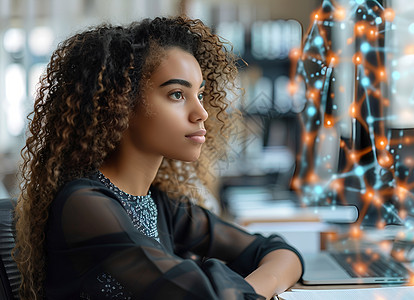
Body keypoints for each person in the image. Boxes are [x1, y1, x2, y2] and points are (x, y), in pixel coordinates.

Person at [14, 16, 303, 300]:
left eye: (200, 94)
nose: (201, 112)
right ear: (121, 103)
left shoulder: (160, 204)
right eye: (177, 94)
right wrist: (250, 286)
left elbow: (279, 251)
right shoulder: (84, 204)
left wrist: (249, 290)